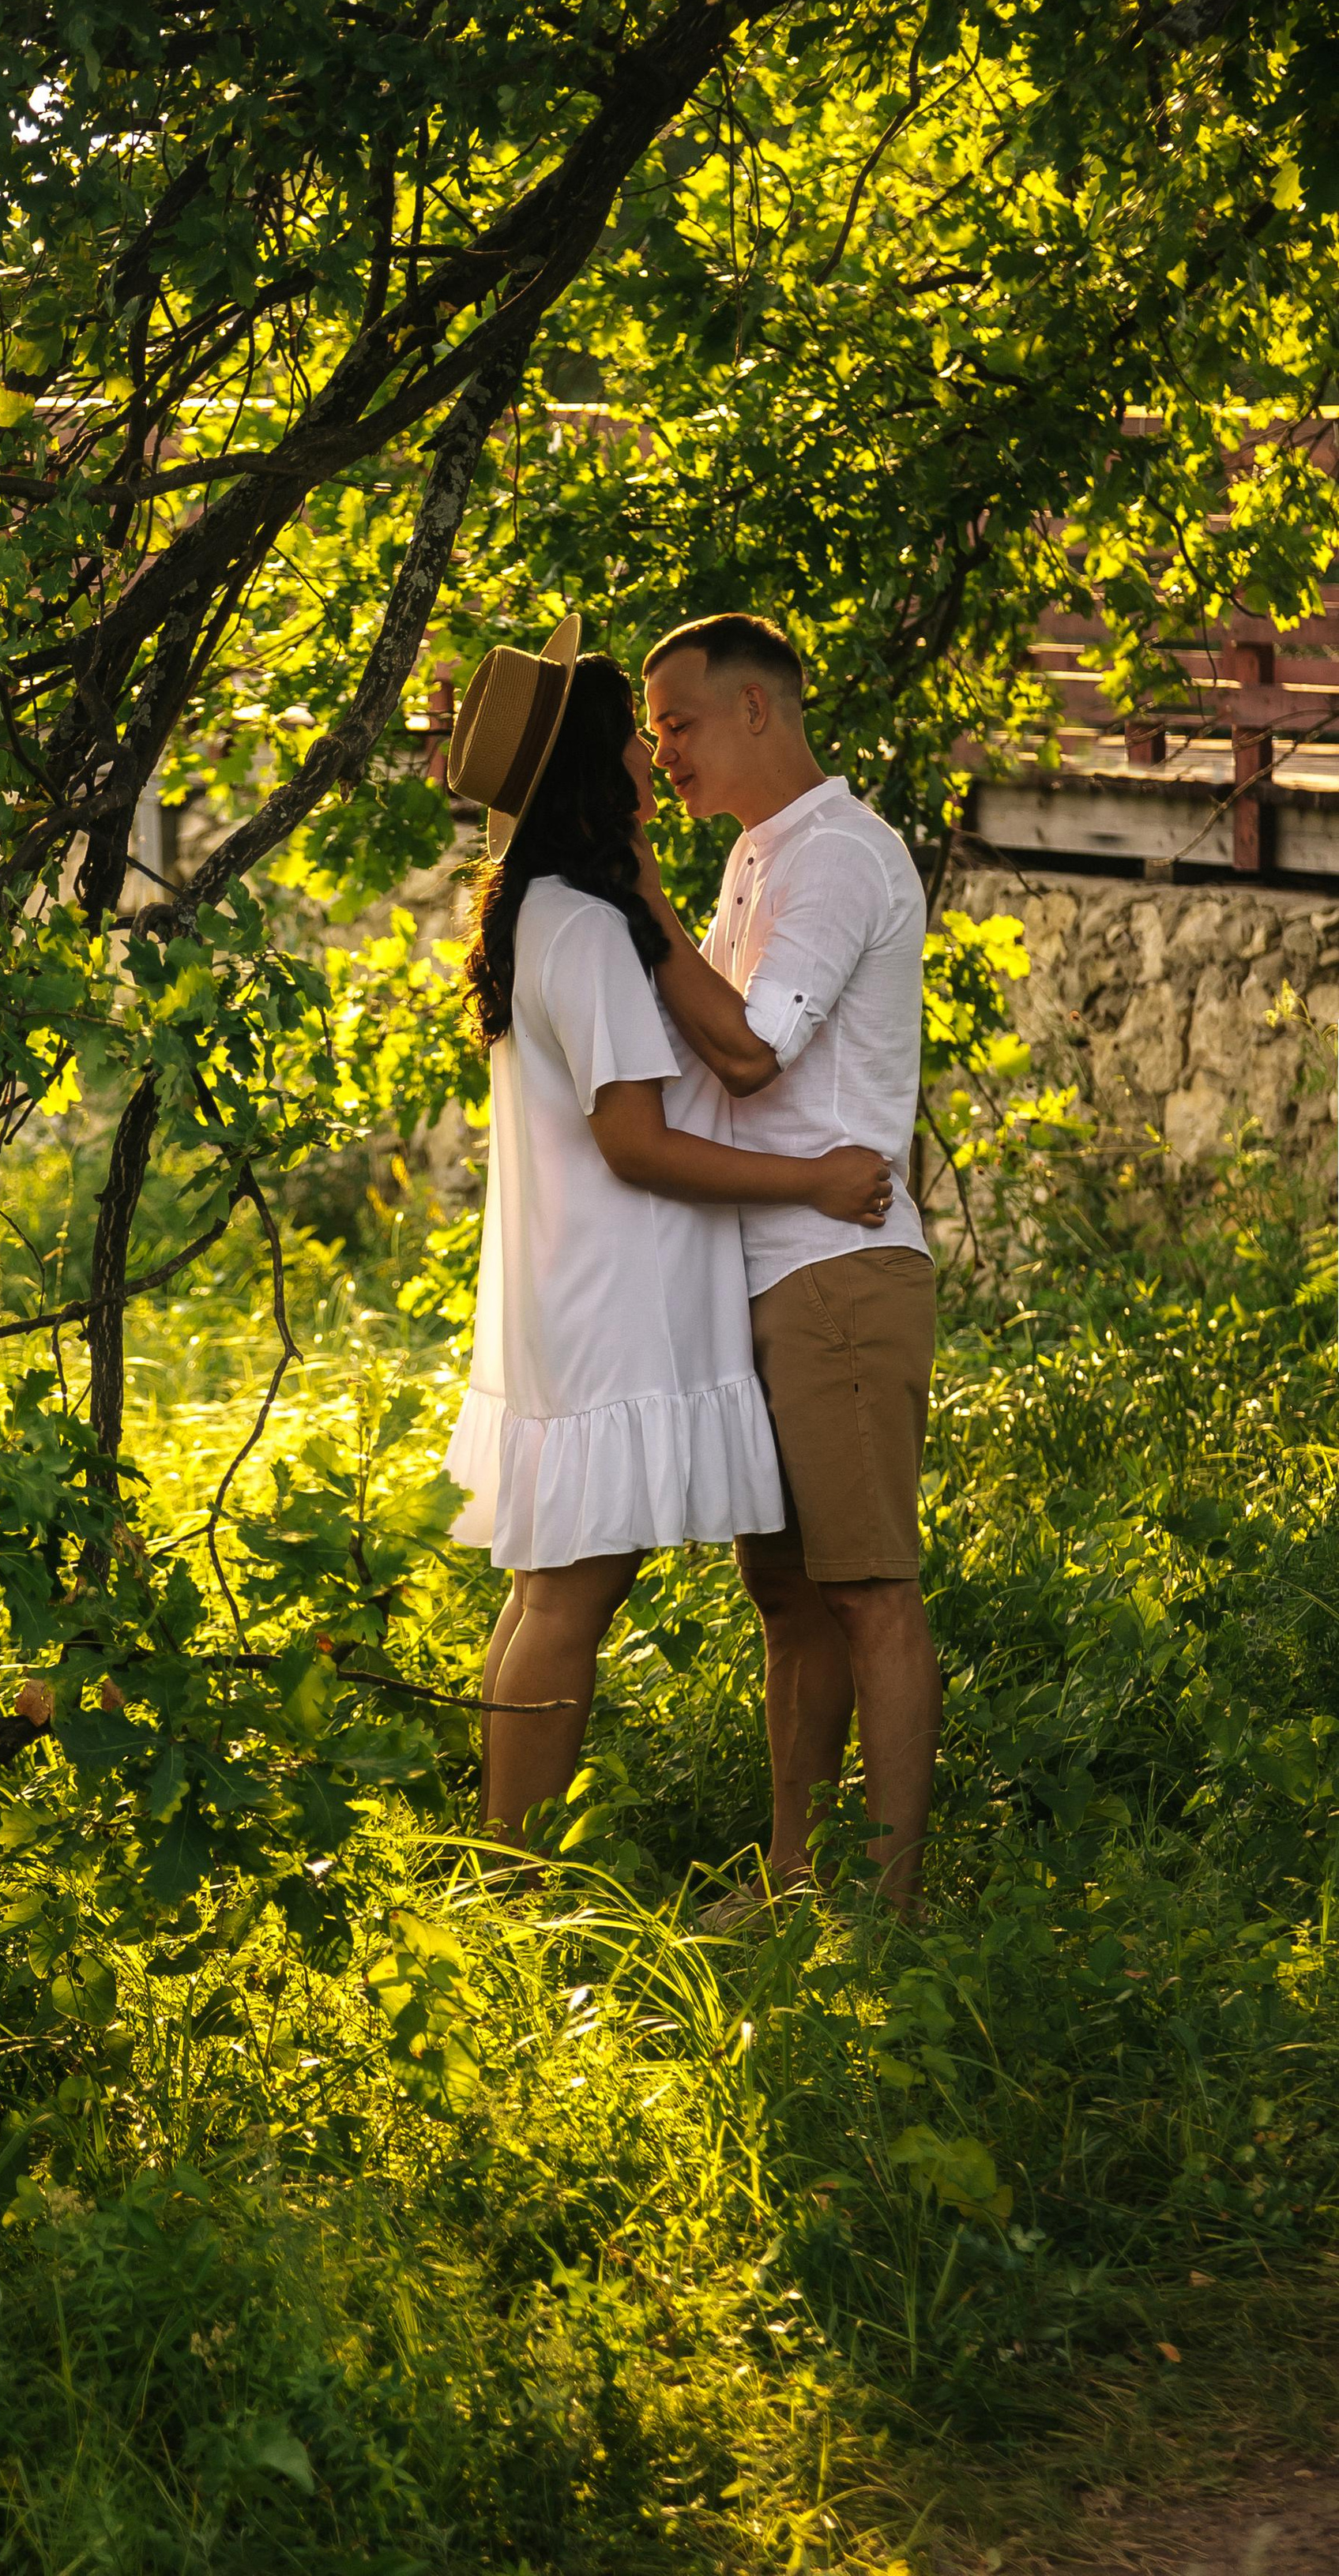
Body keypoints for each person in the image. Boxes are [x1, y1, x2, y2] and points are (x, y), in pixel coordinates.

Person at [440, 614, 895, 1861]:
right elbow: (633, 1143)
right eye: (636, 740)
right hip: (607, 1297)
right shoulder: (580, 930)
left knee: (559, 1585)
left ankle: (499, 1874)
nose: (655, 757)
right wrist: (808, 1180)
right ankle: (512, 1881)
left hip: (587, 1290)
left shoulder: (563, 911)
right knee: (574, 1591)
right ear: (598, 771)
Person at [637, 611, 939, 1917]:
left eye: (680, 726)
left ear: (758, 708)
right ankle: (797, 1883)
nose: (664, 757)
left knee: (868, 1585)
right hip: (766, 1268)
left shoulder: (834, 856)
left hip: (840, 1269)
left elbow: (752, 1051)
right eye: (651, 738)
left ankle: (884, 1913)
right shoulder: (762, 856)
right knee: (788, 1596)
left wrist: (633, 887)